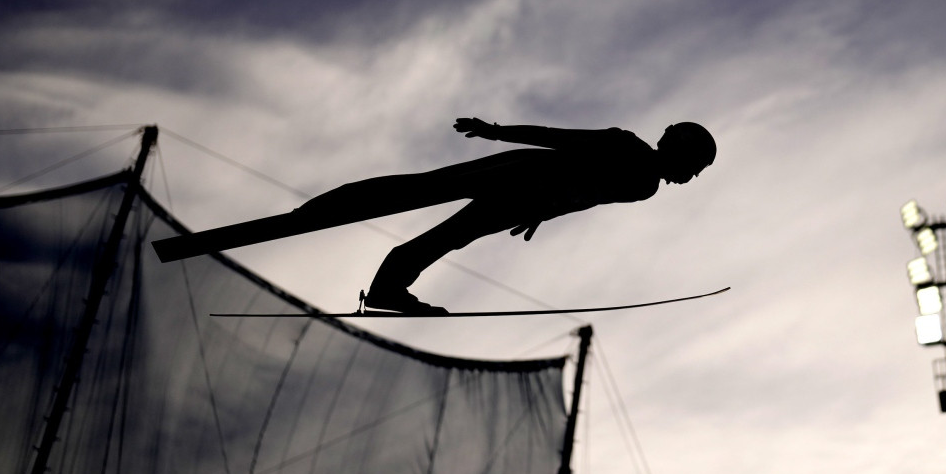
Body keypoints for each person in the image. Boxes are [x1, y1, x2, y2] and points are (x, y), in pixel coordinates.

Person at [293, 117, 717, 313]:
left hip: (530, 199)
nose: (693, 176)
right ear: (681, 151)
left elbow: (585, 195)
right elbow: (557, 139)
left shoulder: (644, 188)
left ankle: (387, 289)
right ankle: (323, 208)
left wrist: (543, 213)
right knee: (423, 188)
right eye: (696, 166)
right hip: (524, 174)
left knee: (450, 235)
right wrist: (497, 132)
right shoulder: (627, 146)